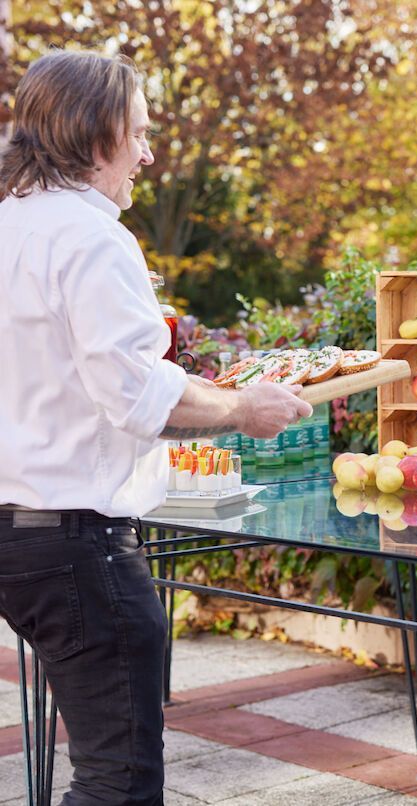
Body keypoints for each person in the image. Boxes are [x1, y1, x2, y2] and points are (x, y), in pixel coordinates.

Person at [0, 50, 312, 804]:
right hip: (77, 547)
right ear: (96, 134)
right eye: (137, 133)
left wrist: (206, 389)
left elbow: (86, 378)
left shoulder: (9, 226)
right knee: (119, 782)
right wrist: (243, 409)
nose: (147, 152)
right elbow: (139, 399)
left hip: (15, 535)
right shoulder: (92, 239)